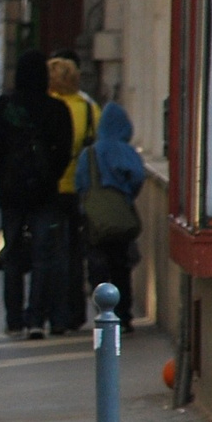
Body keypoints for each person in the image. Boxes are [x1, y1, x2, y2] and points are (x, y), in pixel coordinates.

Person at [0, 51, 73, 339]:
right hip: (45, 193)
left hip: (11, 194)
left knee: (11, 254)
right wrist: (47, 178)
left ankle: (14, 318)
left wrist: (6, 178)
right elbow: (64, 151)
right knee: (42, 257)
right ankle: (37, 318)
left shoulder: (4, 106)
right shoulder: (57, 109)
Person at [75, 101, 145, 333]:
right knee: (121, 267)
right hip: (120, 218)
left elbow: (80, 183)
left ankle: (103, 313)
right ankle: (124, 315)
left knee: (97, 265)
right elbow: (137, 177)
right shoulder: (126, 152)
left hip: (95, 220)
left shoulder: (90, 153)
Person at [48, 53, 102, 331]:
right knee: (76, 254)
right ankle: (75, 312)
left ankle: (54, 311)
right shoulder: (88, 108)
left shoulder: (49, 107)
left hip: (52, 188)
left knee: (52, 253)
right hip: (82, 189)